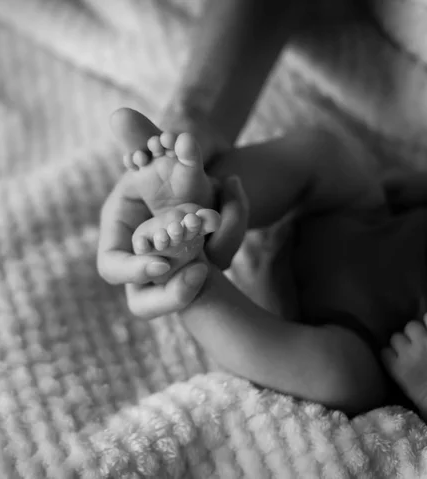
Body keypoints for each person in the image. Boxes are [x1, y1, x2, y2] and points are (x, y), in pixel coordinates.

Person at [96, 0, 427, 418]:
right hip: (370, 220)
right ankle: (202, 198)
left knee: (336, 377)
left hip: (369, 338)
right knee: (328, 154)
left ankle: (191, 281)